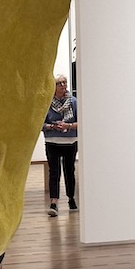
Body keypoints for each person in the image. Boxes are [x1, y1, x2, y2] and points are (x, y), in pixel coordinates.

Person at [42, 74, 78, 217]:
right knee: (54, 173)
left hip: (70, 142)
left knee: (69, 171)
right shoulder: (47, 103)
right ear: (54, 86)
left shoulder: (73, 102)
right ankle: (53, 203)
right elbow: (41, 124)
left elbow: (81, 122)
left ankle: (71, 198)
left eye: (64, 82)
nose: (63, 85)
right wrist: (52, 126)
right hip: (52, 142)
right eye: (59, 83)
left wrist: (67, 125)